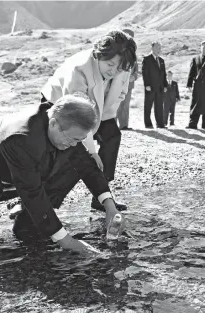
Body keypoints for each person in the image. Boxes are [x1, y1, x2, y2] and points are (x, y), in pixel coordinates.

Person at [0, 94, 122, 254]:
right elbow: (31, 191)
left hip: (20, 172)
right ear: (53, 123)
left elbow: (87, 167)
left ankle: (27, 219)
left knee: (73, 166)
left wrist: (109, 206)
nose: (74, 144)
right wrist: (67, 241)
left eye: (79, 140)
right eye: (73, 139)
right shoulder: (21, 137)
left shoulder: (65, 128)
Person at [41, 30, 137, 212]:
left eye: (120, 68)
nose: (114, 71)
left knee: (112, 136)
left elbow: (119, 95)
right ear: (98, 55)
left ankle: (101, 196)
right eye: (110, 64)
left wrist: (104, 118)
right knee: (75, 153)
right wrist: (92, 152)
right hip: (61, 105)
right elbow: (79, 118)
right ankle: (45, 201)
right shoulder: (79, 70)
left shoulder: (123, 65)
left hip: (100, 108)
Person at [142, 41, 168, 128]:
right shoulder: (147, 59)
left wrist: (165, 85)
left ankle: (160, 124)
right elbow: (145, 73)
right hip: (150, 87)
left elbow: (164, 74)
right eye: (157, 47)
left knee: (159, 106)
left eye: (160, 48)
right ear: (152, 48)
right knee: (148, 106)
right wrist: (147, 85)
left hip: (160, 87)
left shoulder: (161, 60)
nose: (159, 50)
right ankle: (148, 124)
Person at [117, 29, 139, 130]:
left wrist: (134, 76)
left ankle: (124, 125)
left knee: (125, 105)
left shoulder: (134, 53)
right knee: (116, 104)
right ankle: (112, 126)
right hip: (118, 84)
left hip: (129, 84)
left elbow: (136, 69)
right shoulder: (118, 51)